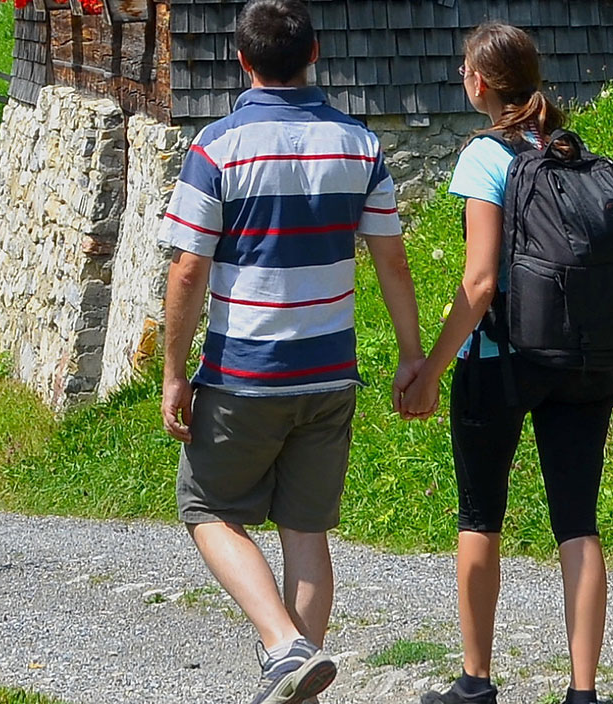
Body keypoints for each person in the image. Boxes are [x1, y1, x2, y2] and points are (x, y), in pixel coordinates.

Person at [155, 2, 424, 702]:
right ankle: (295, 682)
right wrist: (409, 354)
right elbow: (392, 263)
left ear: (241, 61)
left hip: (244, 373)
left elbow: (188, 270)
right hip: (331, 372)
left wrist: (174, 372)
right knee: (306, 532)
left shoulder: (215, 148)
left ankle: (283, 648)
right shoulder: (360, 145)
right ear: (315, 53)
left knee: (207, 508)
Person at [391, 20, 613, 704]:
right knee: (578, 520)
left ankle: (476, 682)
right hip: (582, 358)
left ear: (480, 83)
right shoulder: (572, 150)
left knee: (480, 516)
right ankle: (583, 690)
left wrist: (430, 368)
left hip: (501, 359)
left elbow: (480, 283)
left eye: (464, 71)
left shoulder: (486, 157)